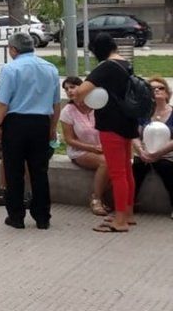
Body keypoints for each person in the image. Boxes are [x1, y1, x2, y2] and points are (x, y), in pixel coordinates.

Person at [0, 31, 60, 230]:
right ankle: (42, 217)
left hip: (16, 123)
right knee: (40, 171)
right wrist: (52, 127)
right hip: (41, 123)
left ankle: (16, 216)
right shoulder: (50, 68)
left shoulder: (10, 69)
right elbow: (56, 104)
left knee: (14, 171)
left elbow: (2, 103)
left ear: (14, 49)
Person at [75, 34, 140, 233]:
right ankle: (127, 213)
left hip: (111, 125)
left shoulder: (106, 67)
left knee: (117, 172)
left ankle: (119, 221)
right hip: (128, 123)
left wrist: (82, 98)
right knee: (126, 171)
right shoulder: (126, 64)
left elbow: (80, 92)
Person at [59, 77, 110, 216]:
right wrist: (92, 148)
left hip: (103, 149)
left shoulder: (97, 106)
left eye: (73, 87)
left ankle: (121, 200)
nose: (69, 91)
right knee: (106, 163)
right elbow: (69, 140)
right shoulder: (67, 111)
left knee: (120, 164)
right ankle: (96, 198)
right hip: (80, 151)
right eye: (66, 89)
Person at [132, 76, 173, 217]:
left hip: (167, 155)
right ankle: (128, 206)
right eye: (152, 89)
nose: (156, 90)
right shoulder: (143, 113)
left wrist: (158, 154)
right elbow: (134, 136)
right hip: (144, 153)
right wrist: (141, 151)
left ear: (167, 93)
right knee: (135, 169)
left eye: (160, 88)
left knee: (167, 169)